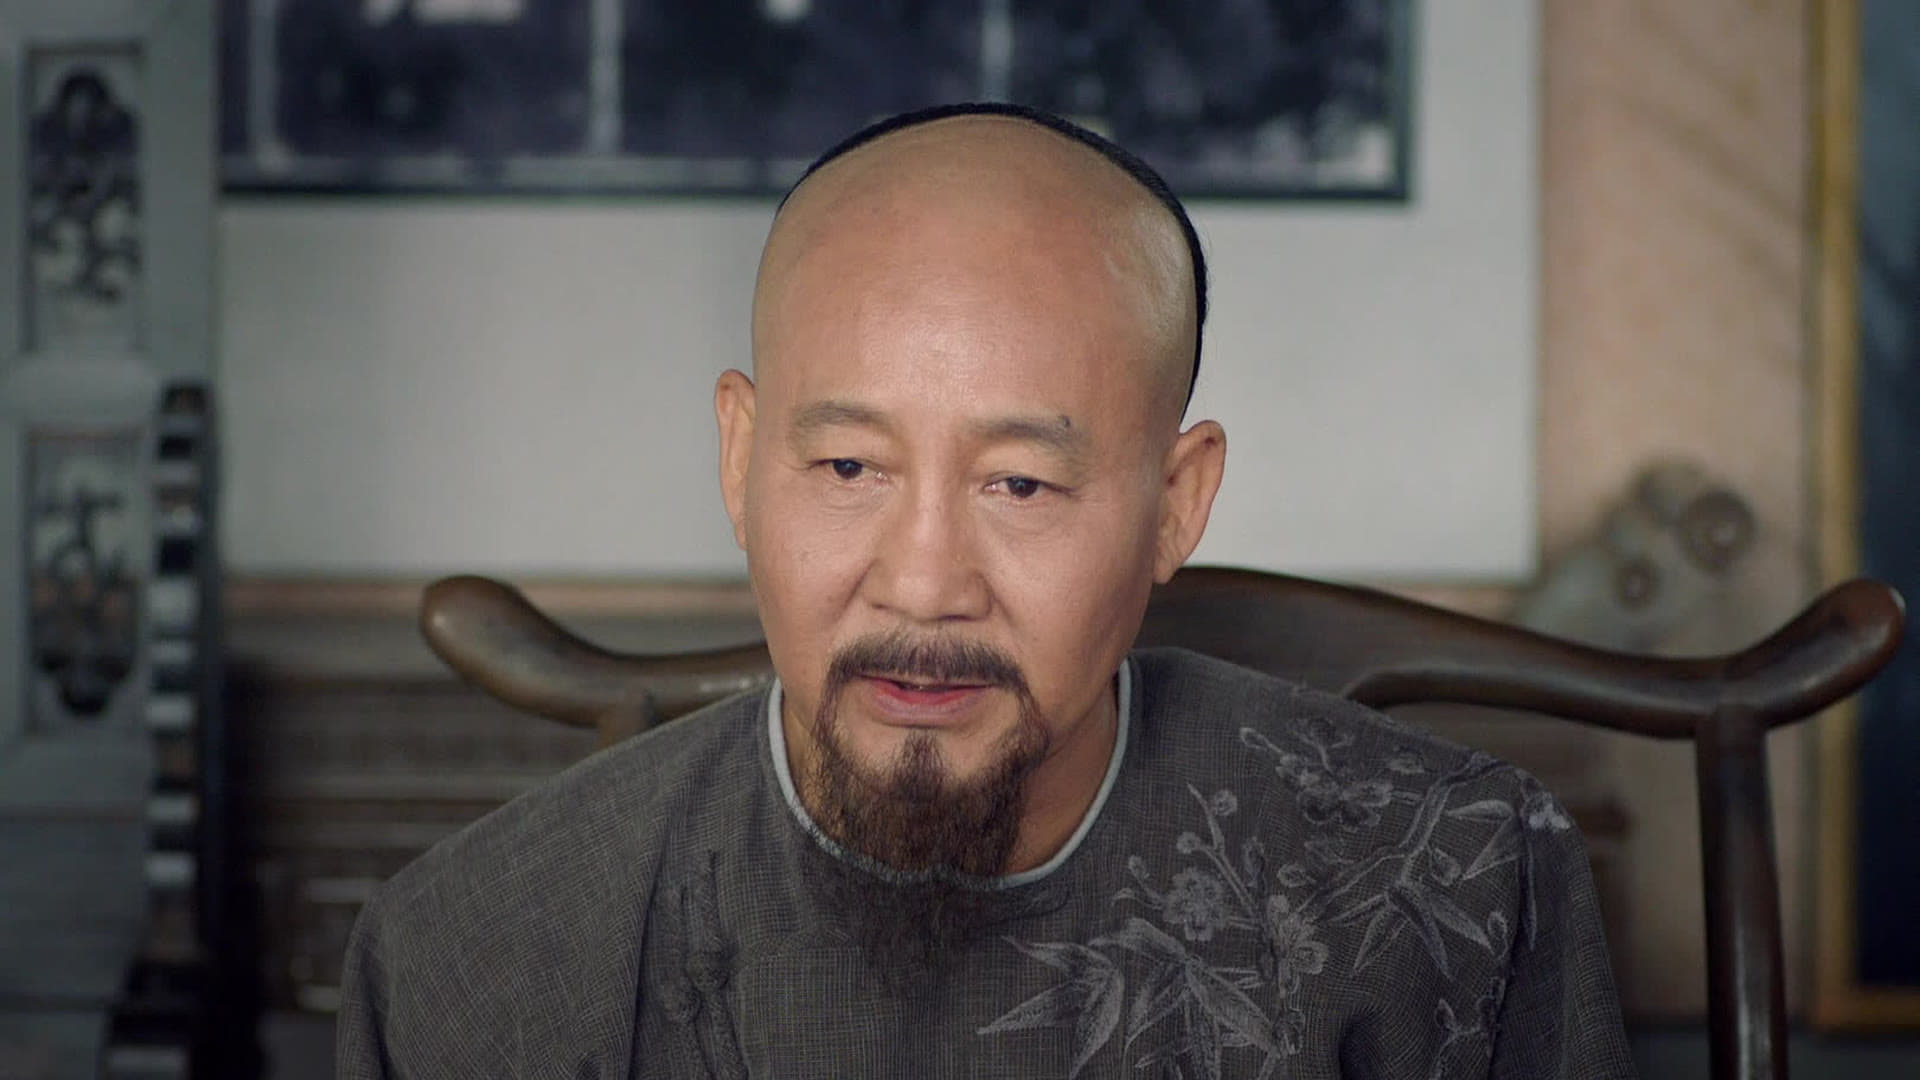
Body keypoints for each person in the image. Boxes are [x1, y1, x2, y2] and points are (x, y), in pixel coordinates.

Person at [335, 102, 1635, 1079]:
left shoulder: (1457, 881)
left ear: (1175, 502)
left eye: (1020, 483)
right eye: (848, 467)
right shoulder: (469, 961)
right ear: (741, 460)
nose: (922, 584)